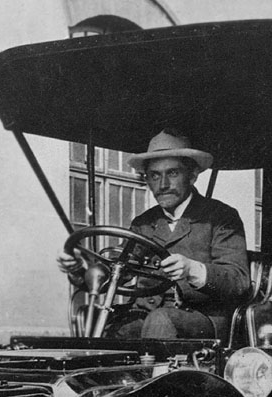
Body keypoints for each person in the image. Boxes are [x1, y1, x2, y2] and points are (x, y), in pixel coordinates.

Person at [56, 129, 250, 338]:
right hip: (146, 316)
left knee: (161, 320)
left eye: (173, 173)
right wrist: (80, 268)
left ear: (192, 175)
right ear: (147, 180)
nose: (163, 184)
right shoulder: (144, 223)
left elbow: (238, 280)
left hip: (202, 320)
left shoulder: (220, 217)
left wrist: (192, 269)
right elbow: (117, 269)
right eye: (155, 176)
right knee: (102, 328)